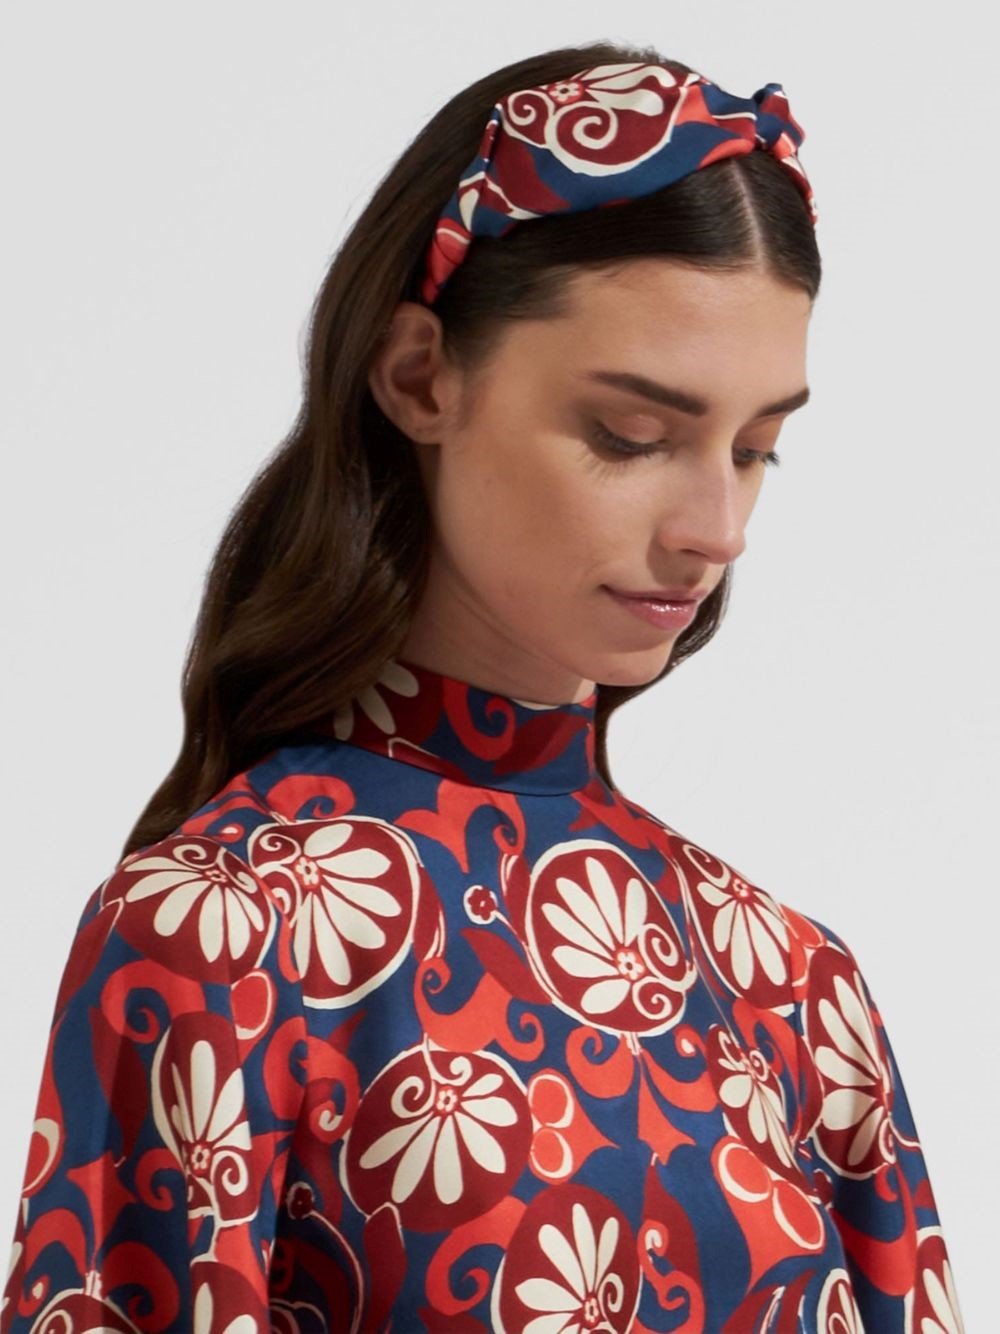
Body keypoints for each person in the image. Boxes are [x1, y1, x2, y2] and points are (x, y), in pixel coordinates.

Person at [0, 40, 963, 1334]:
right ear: (420, 377)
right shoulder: (220, 938)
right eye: (632, 434)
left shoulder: (792, 984)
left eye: (757, 449)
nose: (717, 528)